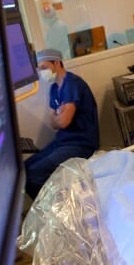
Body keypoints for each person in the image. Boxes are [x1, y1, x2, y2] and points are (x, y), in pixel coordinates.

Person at [24, 48, 100, 199]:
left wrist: (59, 116)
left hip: (81, 144)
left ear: (57, 63)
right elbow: (53, 123)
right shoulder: (54, 89)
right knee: (25, 170)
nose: (42, 72)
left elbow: (64, 122)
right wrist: (60, 115)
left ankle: (56, 211)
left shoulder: (72, 84)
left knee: (34, 175)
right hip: (62, 141)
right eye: (39, 69)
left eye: (44, 67)